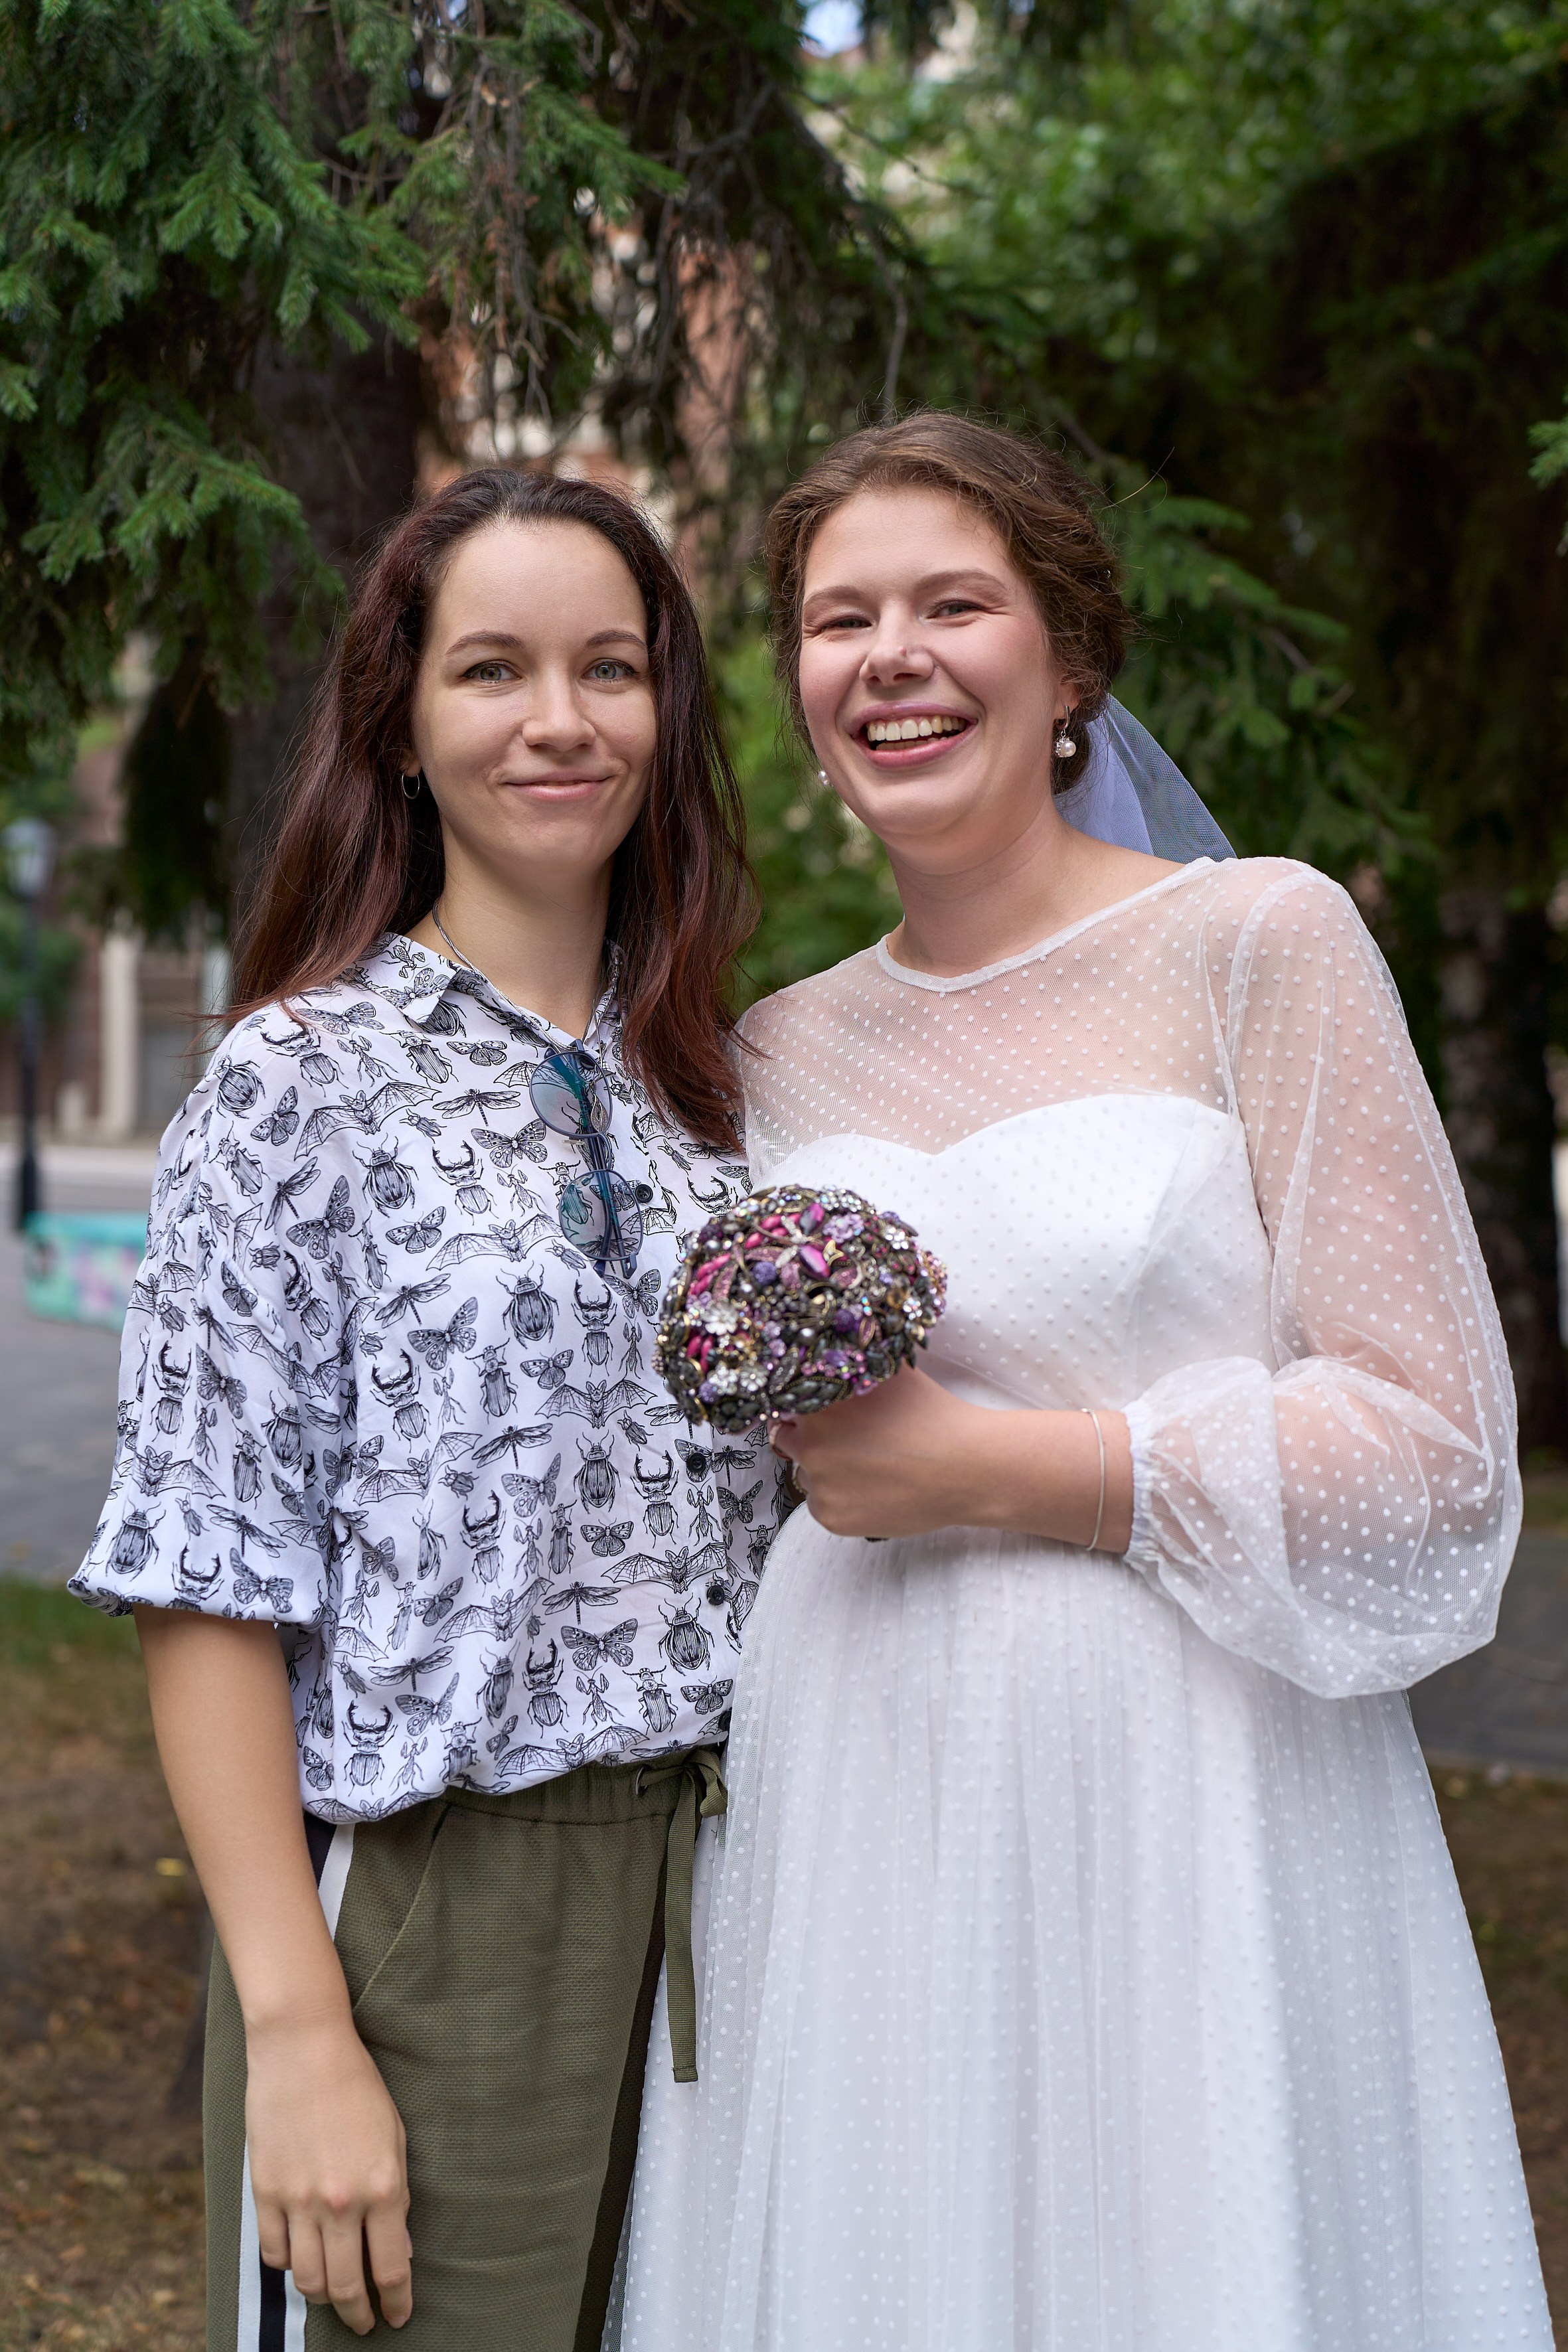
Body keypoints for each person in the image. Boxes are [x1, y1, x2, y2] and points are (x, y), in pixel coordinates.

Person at [608, 414, 1553, 2350]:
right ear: (794, 692)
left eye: (954, 603)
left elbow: (1439, 1450)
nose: (891, 654)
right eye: (834, 618)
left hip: (1194, 1782)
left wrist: (995, 1469)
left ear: (1069, 664)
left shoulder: (1255, 943)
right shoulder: (768, 1055)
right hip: (861, 1782)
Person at [70, 466, 785, 2351]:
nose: (560, 719)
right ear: (398, 722)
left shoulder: (725, 1090)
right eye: (492, 669)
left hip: (749, 1895)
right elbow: (208, 1579)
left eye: (610, 669)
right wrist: (302, 2029)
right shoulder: (294, 1085)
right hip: (433, 1910)